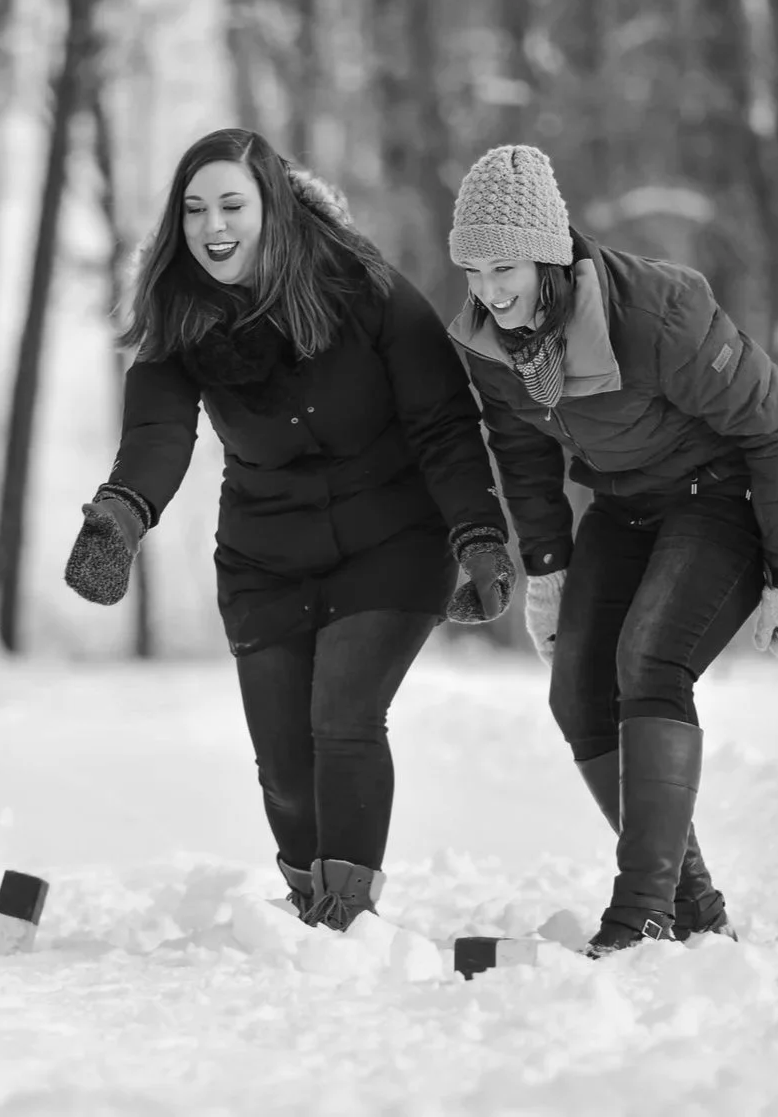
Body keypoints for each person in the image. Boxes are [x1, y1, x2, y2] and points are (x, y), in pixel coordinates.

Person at [63, 128, 514, 930]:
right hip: (265, 555)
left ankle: (346, 914)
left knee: (342, 718)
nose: (214, 226)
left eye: (232, 204)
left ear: (271, 207)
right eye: (195, 208)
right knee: (282, 764)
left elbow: (442, 420)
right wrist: (121, 516)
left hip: (392, 539)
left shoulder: (361, 284)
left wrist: (476, 533)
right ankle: (309, 903)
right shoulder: (179, 308)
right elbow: (159, 433)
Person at [445, 144, 778, 955]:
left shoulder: (658, 313)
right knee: (577, 691)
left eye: (505, 266)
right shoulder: (491, 342)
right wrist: (547, 572)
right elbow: (521, 452)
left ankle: (641, 911)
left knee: (650, 663)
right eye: (472, 270)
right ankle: (692, 907)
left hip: (717, 497)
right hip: (622, 508)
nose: (489, 290)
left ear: (549, 252)